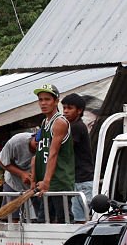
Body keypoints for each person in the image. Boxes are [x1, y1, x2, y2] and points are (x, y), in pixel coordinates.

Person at [30, 83, 74, 224]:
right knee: (43, 220)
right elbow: (39, 153)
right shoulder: (44, 122)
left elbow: (53, 153)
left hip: (59, 181)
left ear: (56, 101)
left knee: (63, 221)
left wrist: (47, 181)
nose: (43, 103)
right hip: (46, 181)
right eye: (41, 99)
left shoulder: (59, 122)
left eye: (47, 99)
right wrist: (34, 179)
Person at [61, 93, 94, 222]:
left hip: (83, 180)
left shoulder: (76, 127)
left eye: (69, 108)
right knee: (80, 219)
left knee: (86, 218)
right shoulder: (72, 126)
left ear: (79, 110)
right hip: (77, 180)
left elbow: (64, 150)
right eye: (64, 108)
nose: (65, 111)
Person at [0, 132, 37, 221]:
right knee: (12, 218)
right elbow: (1, 160)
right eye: (36, 143)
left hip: (36, 187)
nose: (38, 146)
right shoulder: (17, 141)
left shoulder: (48, 147)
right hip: (13, 183)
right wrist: (22, 174)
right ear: (33, 137)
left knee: (41, 217)